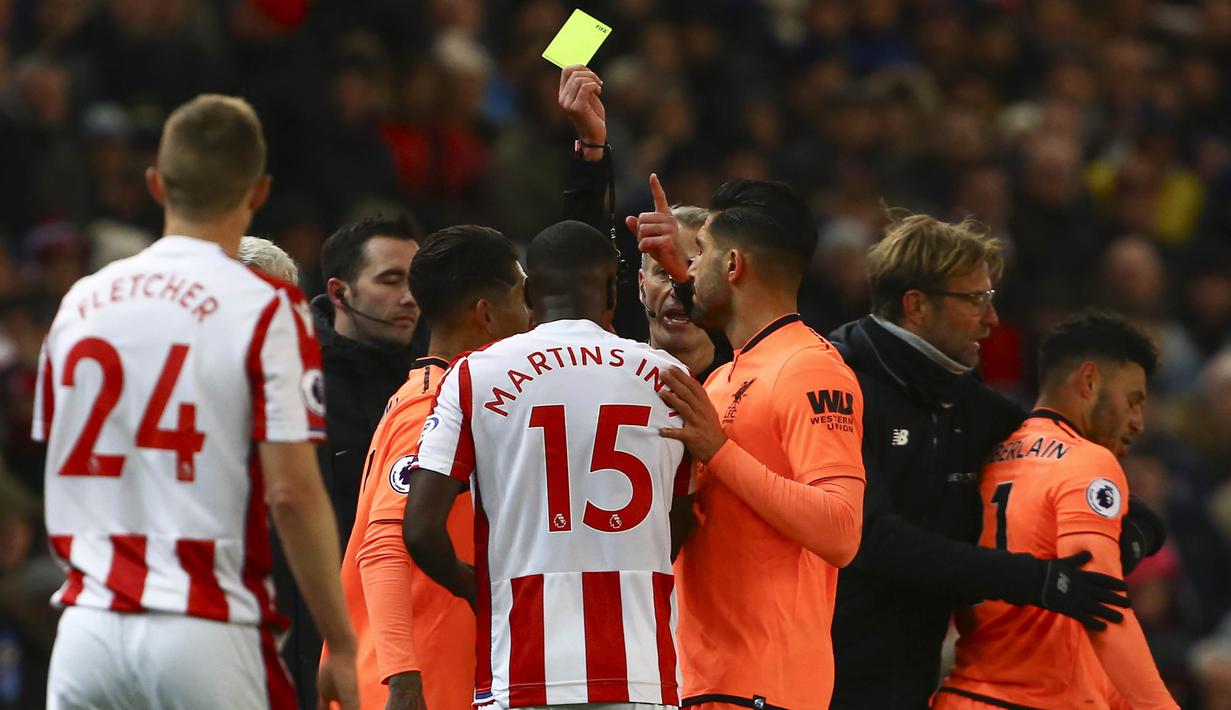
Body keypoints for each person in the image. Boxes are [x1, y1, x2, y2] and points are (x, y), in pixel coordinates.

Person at [33, 94, 357, 709]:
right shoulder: (267, 305)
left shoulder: (79, 301)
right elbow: (290, 491)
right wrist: (340, 643)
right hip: (202, 622)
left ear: (156, 184)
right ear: (257, 193)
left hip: (85, 627)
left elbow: (56, 451)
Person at [825, 213, 1159, 709]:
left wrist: (1123, 537)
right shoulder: (835, 383)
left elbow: (1116, 503)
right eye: (975, 300)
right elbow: (870, 540)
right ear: (916, 305)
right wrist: (1038, 580)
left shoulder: (972, 407)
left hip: (915, 684)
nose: (992, 319)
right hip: (819, 672)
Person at [404, 220, 694, 708]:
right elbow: (679, 520)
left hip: (520, 670)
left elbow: (419, 530)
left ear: (530, 291)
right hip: (641, 671)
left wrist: (478, 589)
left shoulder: (474, 376)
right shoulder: (671, 377)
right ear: (611, 290)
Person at [633, 178, 866, 708]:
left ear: (733, 266)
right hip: (703, 679)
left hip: (766, 685)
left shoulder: (810, 369)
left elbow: (841, 529)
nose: (689, 270)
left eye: (702, 255)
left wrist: (720, 452)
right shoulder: (723, 378)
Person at [322, 225, 530, 710]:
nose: (532, 316)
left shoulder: (439, 393)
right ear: (487, 315)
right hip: (412, 685)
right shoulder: (434, 406)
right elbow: (384, 546)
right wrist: (403, 678)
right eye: (522, 298)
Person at [934, 312, 1178, 709]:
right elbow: (1102, 606)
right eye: (1133, 401)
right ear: (1089, 381)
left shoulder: (988, 454)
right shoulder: (1086, 461)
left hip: (965, 693)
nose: (1138, 423)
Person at [280, 215, 422, 706]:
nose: (410, 297)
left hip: (406, 630)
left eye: (415, 280)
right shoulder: (294, 380)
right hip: (304, 630)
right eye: (390, 279)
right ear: (339, 292)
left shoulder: (433, 384)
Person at [557, 64, 730, 376]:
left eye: (691, 269)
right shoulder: (611, 375)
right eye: (664, 272)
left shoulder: (747, 384)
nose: (678, 287)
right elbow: (576, 265)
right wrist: (591, 147)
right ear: (640, 287)